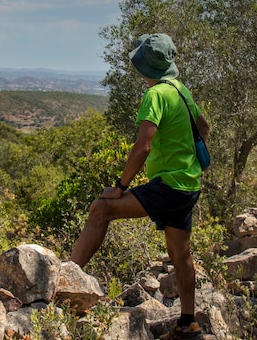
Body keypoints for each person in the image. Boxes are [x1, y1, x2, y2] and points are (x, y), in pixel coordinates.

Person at [69, 33, 210, 340]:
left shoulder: (156, 94)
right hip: (188, 184)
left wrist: (120, 186)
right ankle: (188, 324)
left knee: (101, 208)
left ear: (144, 67)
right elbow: (204, 128)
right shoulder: (181, 90)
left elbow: (143, 146)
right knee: (180, 255)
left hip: (169, 185)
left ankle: (63, 283)